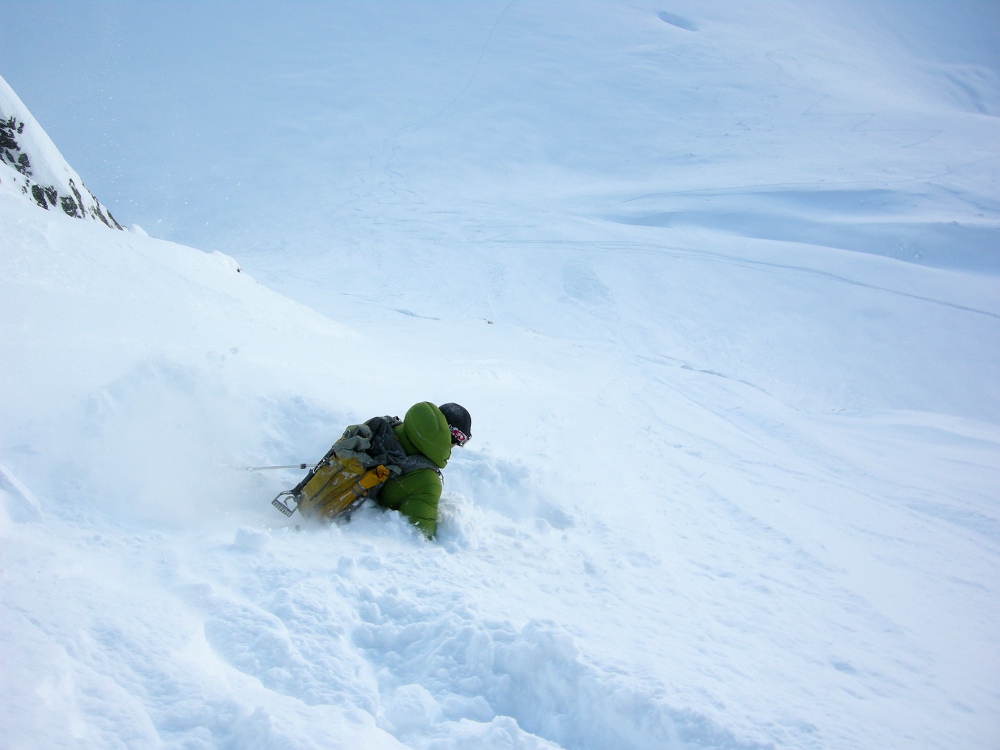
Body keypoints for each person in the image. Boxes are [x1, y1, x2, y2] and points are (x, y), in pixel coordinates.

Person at [373, 401, 471, 539]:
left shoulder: (393, 427)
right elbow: (420, 536)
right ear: (453, 439)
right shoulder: (427, 482)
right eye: (459, 443)